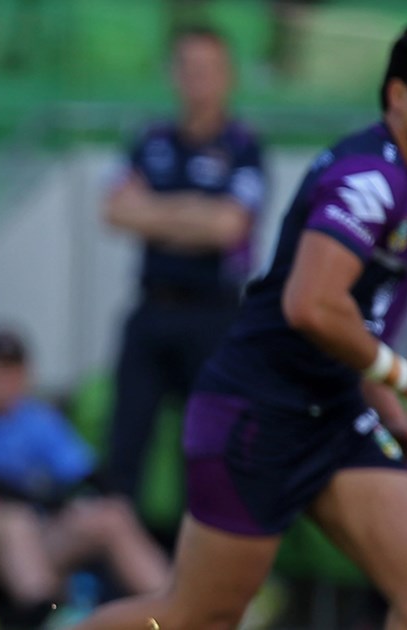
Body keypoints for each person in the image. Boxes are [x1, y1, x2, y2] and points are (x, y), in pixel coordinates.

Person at [78, 23, 407, 629]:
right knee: (198, 616)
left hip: (332, 411)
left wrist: (392, 414)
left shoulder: (397, 180)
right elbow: (312, 306)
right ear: (397, 95)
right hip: (259, 412)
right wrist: (404, 378)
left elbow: (352, 320)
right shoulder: (372, 179)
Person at [0, 327, 168, 627]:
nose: (5, 379)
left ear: (26, 373)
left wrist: (97, 497)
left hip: (17, 558)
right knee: (12, 519)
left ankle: (178, 608)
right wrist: (49, 500)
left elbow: (85, 472)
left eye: (13, 370)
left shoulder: (34, 417)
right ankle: (50, 618)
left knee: (110, 516)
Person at [101, 26, 266, 512]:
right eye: (188, 69)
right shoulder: (148, 139)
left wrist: (154, 211)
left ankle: (195, 579)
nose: (198, 80)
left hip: (212, 315)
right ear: (173, 75)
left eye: (208, 70)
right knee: (124, 449)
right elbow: (114, 211)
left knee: (206, 453)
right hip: (152, 307)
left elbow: (228, 227)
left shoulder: (242, 146)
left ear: (228, 76)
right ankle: (117, 576)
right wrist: (194, 211)